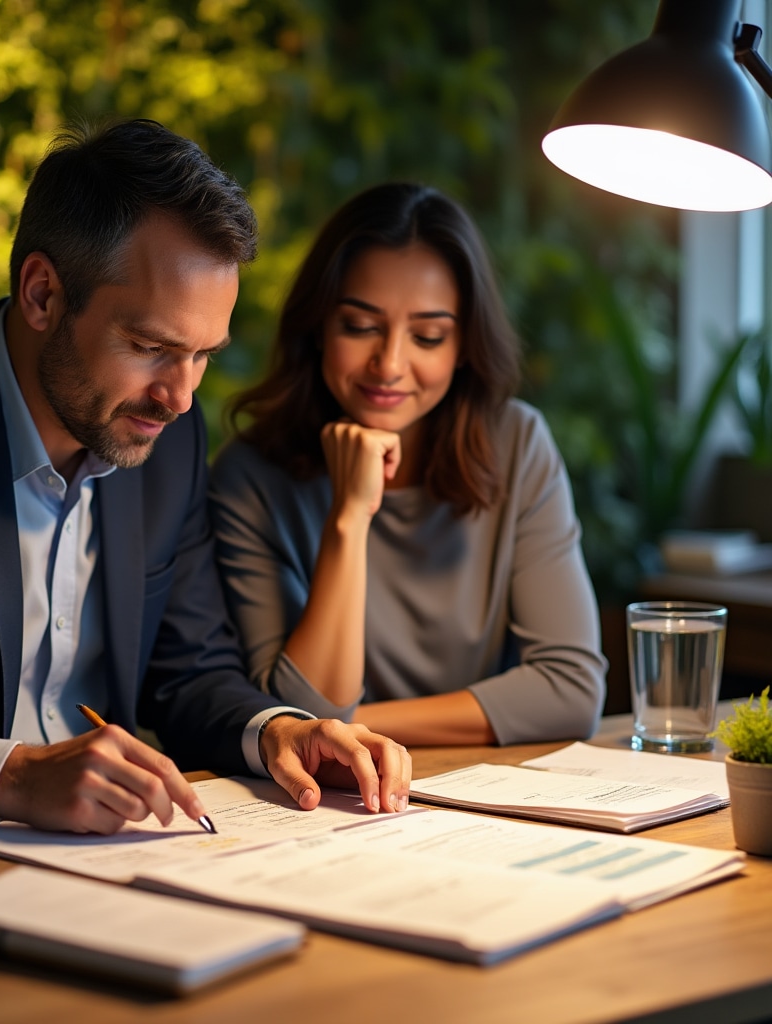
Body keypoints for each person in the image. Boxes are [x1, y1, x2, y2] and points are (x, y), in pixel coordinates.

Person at [0, 119, 410, 835]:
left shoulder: (168, 437)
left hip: (106, 863)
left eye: (204, 354)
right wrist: (14, 775)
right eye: (151, 346)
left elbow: (190, 674)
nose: (181, 395)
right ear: (41, 294)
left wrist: (277, 730)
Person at [208, 182, 607, 747]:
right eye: (360, 326)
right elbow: (301, 711)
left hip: (481, 793)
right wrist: (349, 516)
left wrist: (350, 728)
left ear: (463, 345)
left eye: (428, 335)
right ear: (319, 325)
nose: (390, 364)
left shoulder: (517, 444)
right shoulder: (249, 476)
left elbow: (571, 692)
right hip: (325, 802)